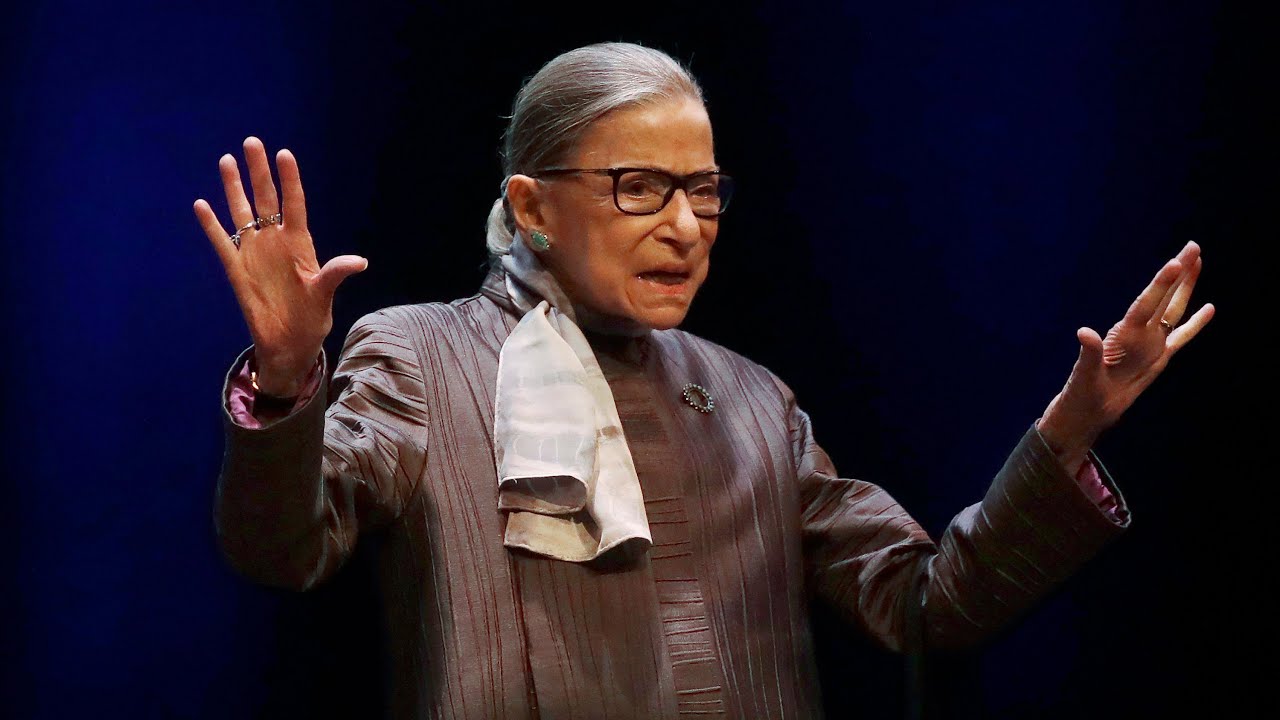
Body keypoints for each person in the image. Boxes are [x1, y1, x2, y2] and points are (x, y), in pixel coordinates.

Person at [194, 42, 1213, 720]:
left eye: (703, 191)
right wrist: (284, 385)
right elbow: (283, 550)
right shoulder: (423, 357)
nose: (685, 227)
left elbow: (926, 606)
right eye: (639, 188)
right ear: (532, 207)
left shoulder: (753, 402)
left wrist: (1066, 433)